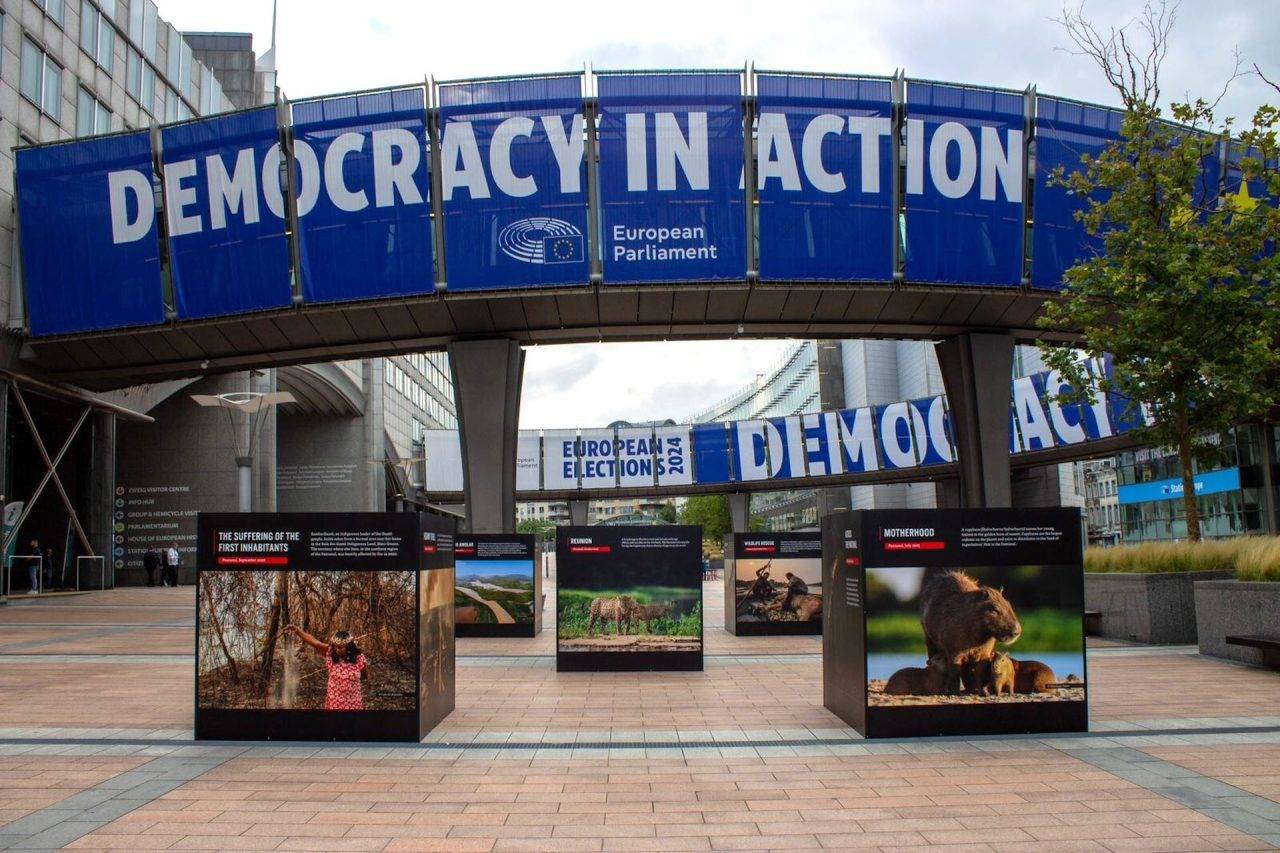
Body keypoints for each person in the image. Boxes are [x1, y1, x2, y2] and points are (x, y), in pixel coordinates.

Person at [284, 625, 370, 710]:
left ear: (349, 646)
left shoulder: (359, 657)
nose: (338, 649)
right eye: (336, 646)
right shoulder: (331, 653)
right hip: (335, 702)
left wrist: (350, 683)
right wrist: (297, 630)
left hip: (353, 702)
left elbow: (364, 675)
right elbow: (314, 642)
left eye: (341, 647)